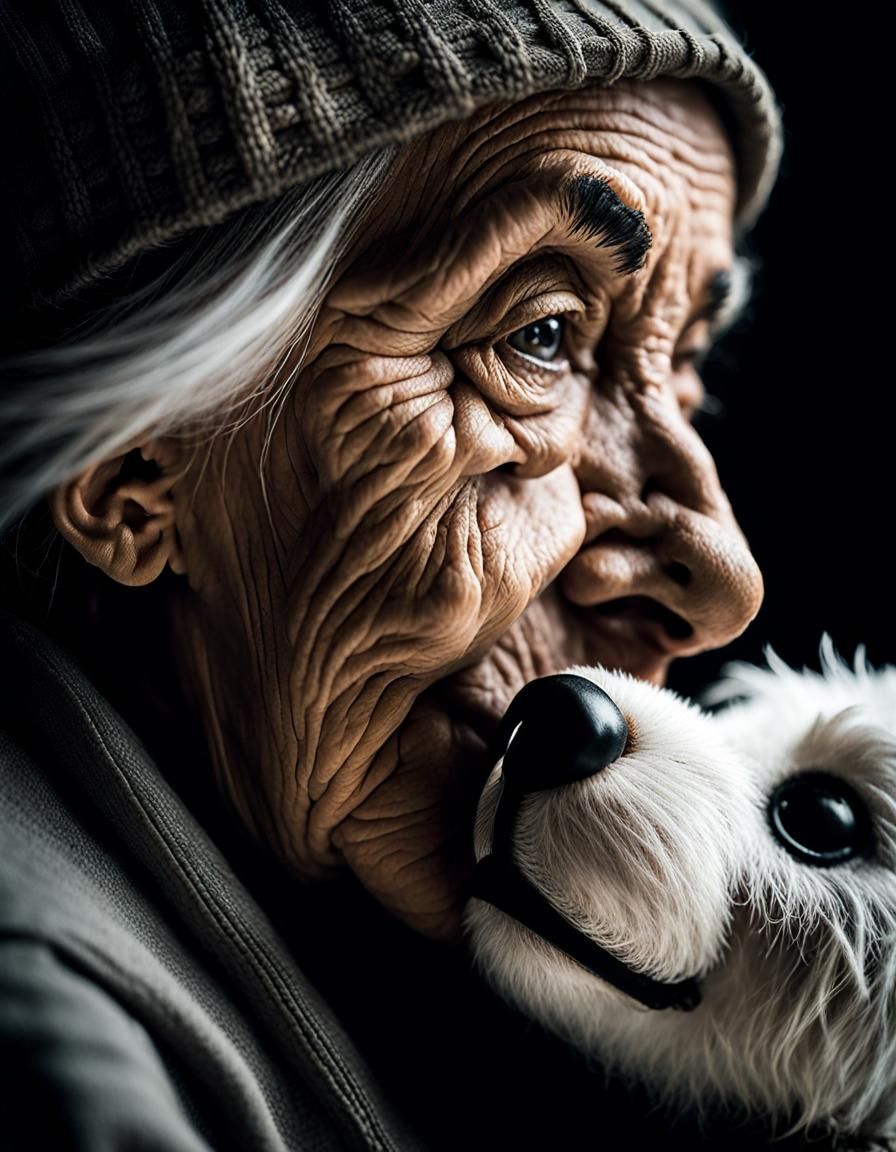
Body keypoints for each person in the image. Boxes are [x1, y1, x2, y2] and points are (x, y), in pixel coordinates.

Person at [0, 1, 784, 1148]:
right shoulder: (62, 1056)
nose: (721, 577)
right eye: (539, 337)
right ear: (130, 471)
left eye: (685, 365)